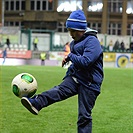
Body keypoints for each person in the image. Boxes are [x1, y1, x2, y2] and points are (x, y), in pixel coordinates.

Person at [21, 10, 104, 133]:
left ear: (81, 29)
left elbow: (86, 61)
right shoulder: (74, 43)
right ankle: (36, 103)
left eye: (72, 31)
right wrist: (69, 72)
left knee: (84, 116)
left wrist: (70, 56)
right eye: (69, 30)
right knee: (58, 90)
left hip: (90, 84)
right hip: (77, 77)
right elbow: (77, 62)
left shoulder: (92, 41)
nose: (70, 34)